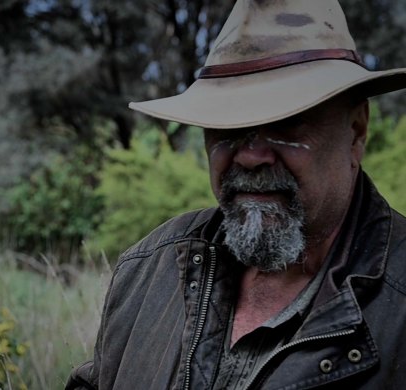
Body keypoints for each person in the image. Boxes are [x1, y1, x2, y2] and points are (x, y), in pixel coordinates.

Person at [67, 0, 406, 389]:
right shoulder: (148, 269)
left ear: (357, 131)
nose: (250, 156)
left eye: (288, 122)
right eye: (227, 128)